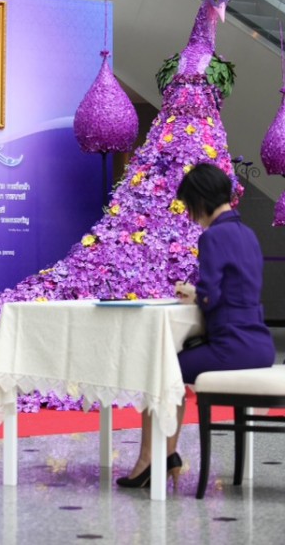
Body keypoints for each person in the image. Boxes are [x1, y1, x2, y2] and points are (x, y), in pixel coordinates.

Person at [117, 163, 276, 489]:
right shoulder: (248, 234)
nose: (190, 215)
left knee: (159, 368)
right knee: (171, 367)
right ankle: (166, 456)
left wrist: (195, 295)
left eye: (190, 206)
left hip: (232, 346)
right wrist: (201, 294)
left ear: (200, 200)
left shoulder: (213, 236)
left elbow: (210, 297)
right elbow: (237, 290)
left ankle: (151, 459)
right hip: (260, 345)